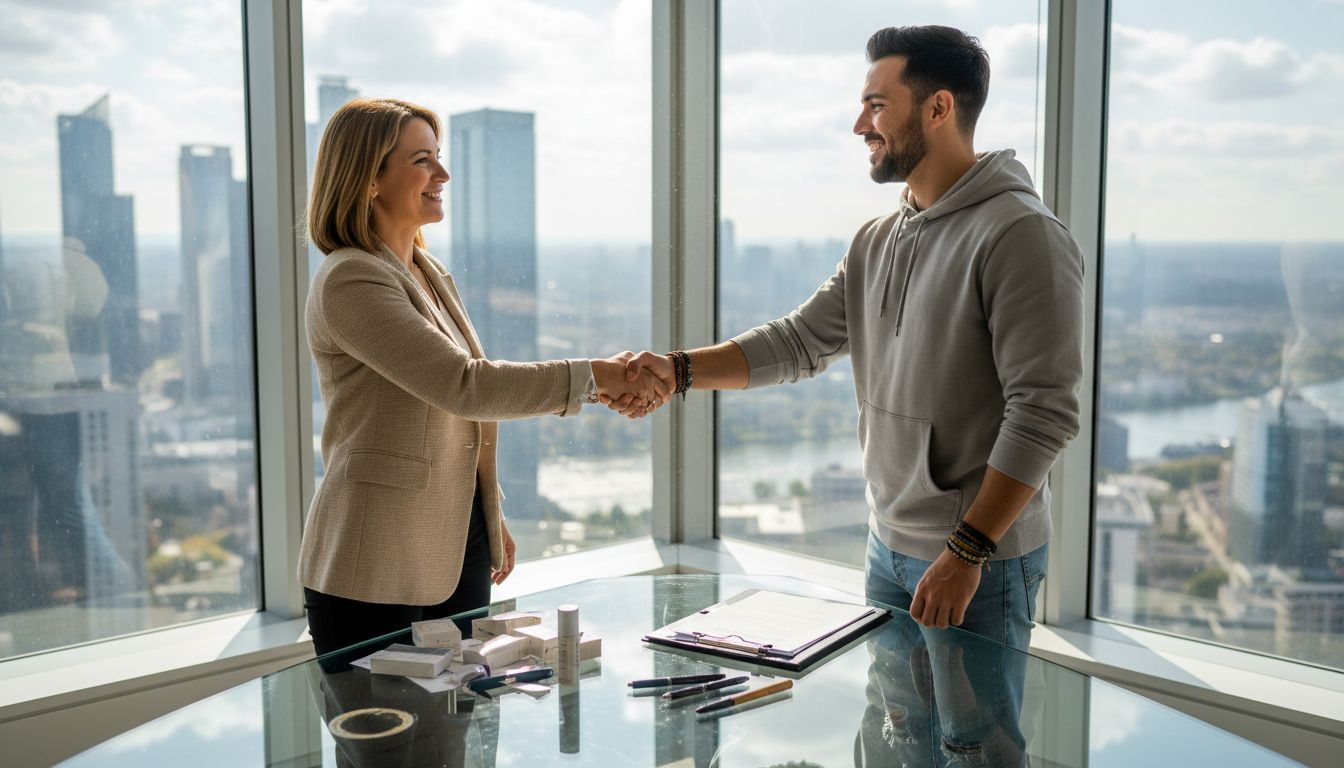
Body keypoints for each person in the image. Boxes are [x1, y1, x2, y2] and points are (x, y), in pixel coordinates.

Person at [621, 20, 1081, 683]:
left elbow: (1044, 413)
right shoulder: (878, 237)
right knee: (892, 734)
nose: (859, 125)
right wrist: (679, 369)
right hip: (887, 543)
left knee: (973, 748)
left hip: (977, 559)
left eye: (876, 105)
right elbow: (801, 340)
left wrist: (967, 551)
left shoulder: (1021, 235)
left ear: (939, 108)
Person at [299, 97, 667, 657]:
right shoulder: (350, 278)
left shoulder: (425, 271)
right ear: (369, 178)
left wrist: (485, 516)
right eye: (423, 160)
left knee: (460, 733)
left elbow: (449, 420)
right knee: (388, 742)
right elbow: (465, 386)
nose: (442, 174)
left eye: (439, 157)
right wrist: (597, 376)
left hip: (454, 544)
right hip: (371, 561)